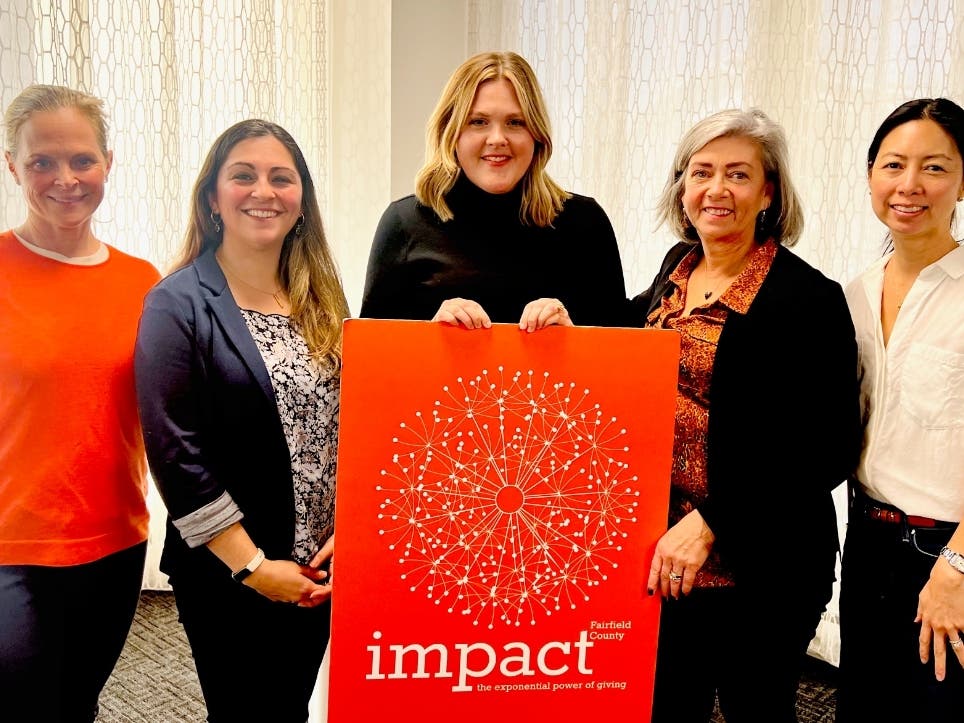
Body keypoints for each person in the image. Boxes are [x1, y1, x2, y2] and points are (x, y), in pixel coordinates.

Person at [632, 109, 861, 722]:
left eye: (738, 174)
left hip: (764, 563)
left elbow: (829, 446)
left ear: (768, 193)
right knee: (664, 708)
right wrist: (561, 317)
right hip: (666, 556)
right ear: (682, 188)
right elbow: (628, 347)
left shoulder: (808, 299)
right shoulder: (675, 271)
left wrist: (713, 522)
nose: (717, 189)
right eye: (702, 172)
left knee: (755, 711)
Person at [134, 119, 348, 722]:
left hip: (320, 565)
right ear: (212, 197)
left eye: (281, 178)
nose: (264, 191)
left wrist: (348, 531)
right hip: (230, 570)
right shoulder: (176, 303)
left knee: (289, 708)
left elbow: (348, 425)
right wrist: (254, 568)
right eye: (243, 176)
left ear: (301, 199)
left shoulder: (322, 301)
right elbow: (176, 455)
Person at [0, 84, 161, 722]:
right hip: (12, 547)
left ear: (107, 164)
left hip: (115, 541)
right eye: (42, 161)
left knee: (76, 705)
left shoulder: (143, 282)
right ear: (13, 167)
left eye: (82, 160)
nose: (65, 179)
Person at [837, 98, 964, 722]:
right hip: (868, 543)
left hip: (949, 552)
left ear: (963, 183)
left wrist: (956, 569)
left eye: (934, 168)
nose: (909, 185)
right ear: (870, 176)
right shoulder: (854, 294)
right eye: (893, 165)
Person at [360, 50, 627, 330]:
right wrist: (430, 336)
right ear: (451, 132)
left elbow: (620, 352)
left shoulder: (586, 223)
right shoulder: (403, 223)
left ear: (536, 135)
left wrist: (572, 336)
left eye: (515, 122)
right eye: (478, 122)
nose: (497, 139)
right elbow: (368, 354)